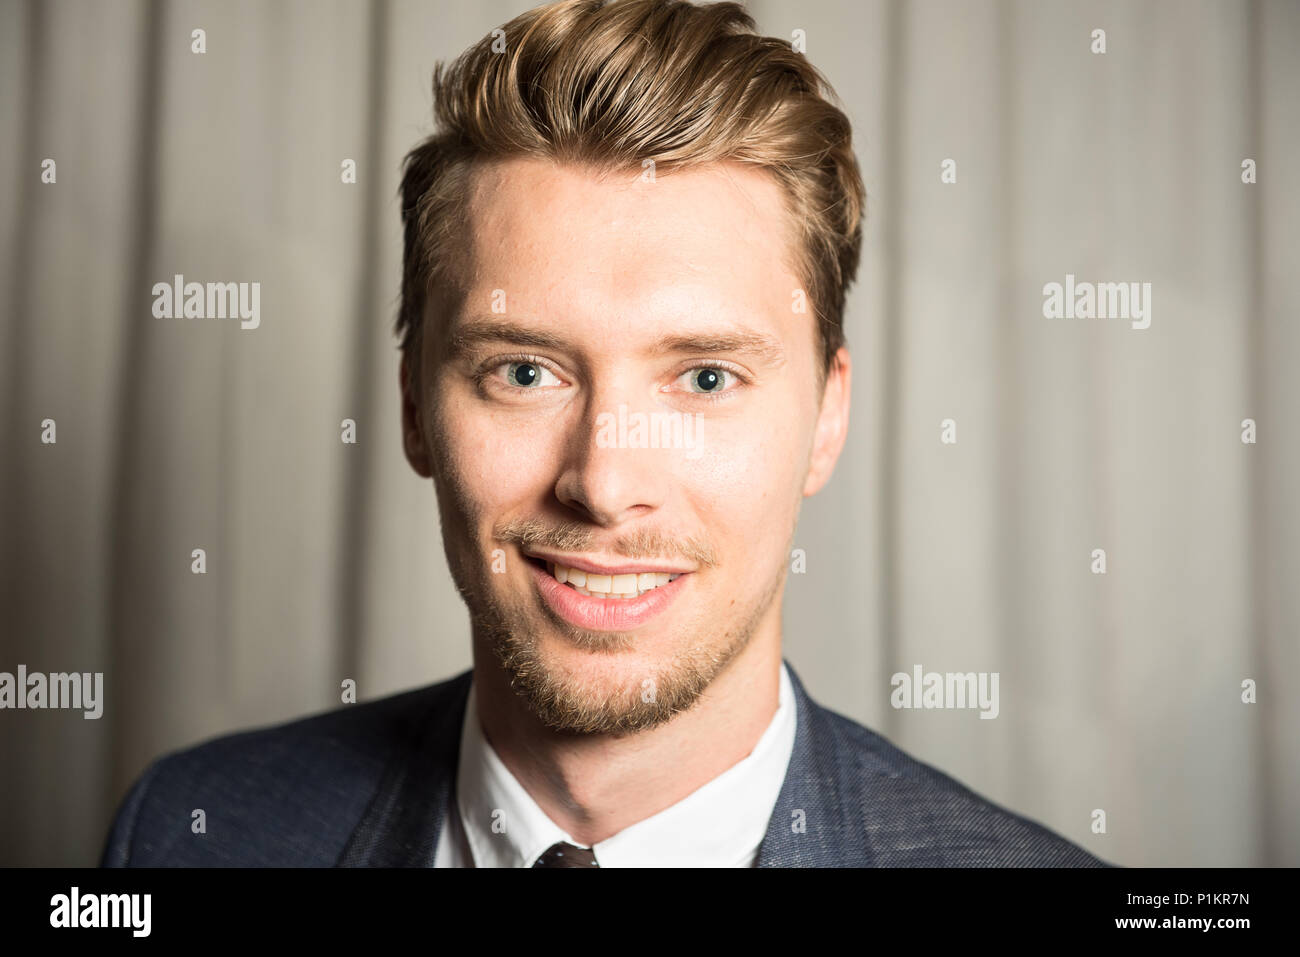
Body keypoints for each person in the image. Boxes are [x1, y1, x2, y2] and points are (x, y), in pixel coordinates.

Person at [101, 0, 1105, 868]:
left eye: (704, 377)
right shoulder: (190, 835)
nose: (603, 479)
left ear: (826, 417)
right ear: (413, 406)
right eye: (525, 372)